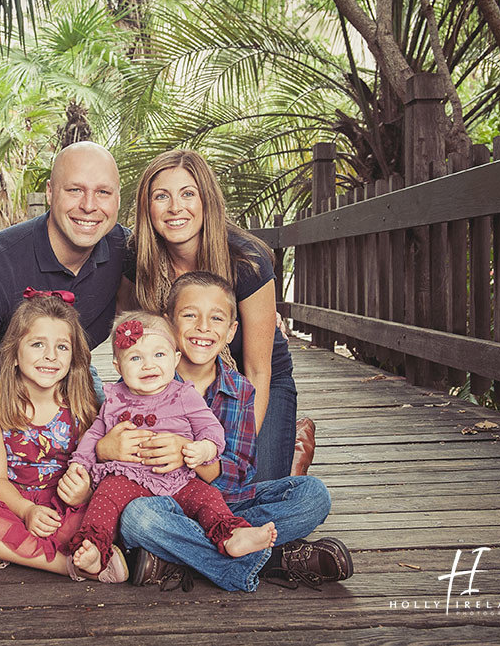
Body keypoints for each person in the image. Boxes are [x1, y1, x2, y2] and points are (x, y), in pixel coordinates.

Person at [0, 141, 128, 514]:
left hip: (71, 374)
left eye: (103, 192)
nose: (89, 205)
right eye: (74, 190)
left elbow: (179, 279)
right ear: (50, 192)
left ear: (118, 199)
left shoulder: (123, 250)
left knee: (102, 475)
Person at [119, 272, 352, 592]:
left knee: (313, 496)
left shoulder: (239, 391)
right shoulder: (144, 381)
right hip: (169, 504)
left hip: (229, 505)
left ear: (230, 332)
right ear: (168, 324)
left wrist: (187, 453)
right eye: (189, 315)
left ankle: (177, 555)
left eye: (216, 318)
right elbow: (129, 472)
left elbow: (236, 474)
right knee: (137, 518)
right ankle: (272, 560)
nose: (203, 327)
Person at [118, 149, 297, 481]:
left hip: (252, 380)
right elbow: (134, 344)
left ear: (206, 201)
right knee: (159, 484)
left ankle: (292, 452)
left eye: (188, 194)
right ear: (147, 206)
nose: (175, 207)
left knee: (244, 487)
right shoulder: (136, 258)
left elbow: (258, 370)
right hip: (178, 380)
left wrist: (228, 456)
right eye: (161, 196)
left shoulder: (247, 260)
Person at [67, 311, 277, 578]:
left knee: (208, 497)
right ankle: (95, 549)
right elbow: (94, 435)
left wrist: (203, 450)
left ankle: (230, 534)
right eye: (135, 358)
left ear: (175, 359)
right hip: (127, 480)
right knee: (104, 498)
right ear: (118, 367)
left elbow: (212, 430)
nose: (148, 365)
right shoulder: (114, 398)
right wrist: (80, 465)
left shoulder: (183, 395)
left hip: (178, 480)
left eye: (159, 355)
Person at [0, 292, 130, 581]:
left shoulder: (82, 405)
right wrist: (28, 511)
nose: (51, 356)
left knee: (107, 514)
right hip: (14, 506)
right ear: (15, 354)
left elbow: (94, 470)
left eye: (62, 347)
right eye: (37, 344)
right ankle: (66, 564)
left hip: (64, 509)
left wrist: (86, 492)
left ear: (74, 357)